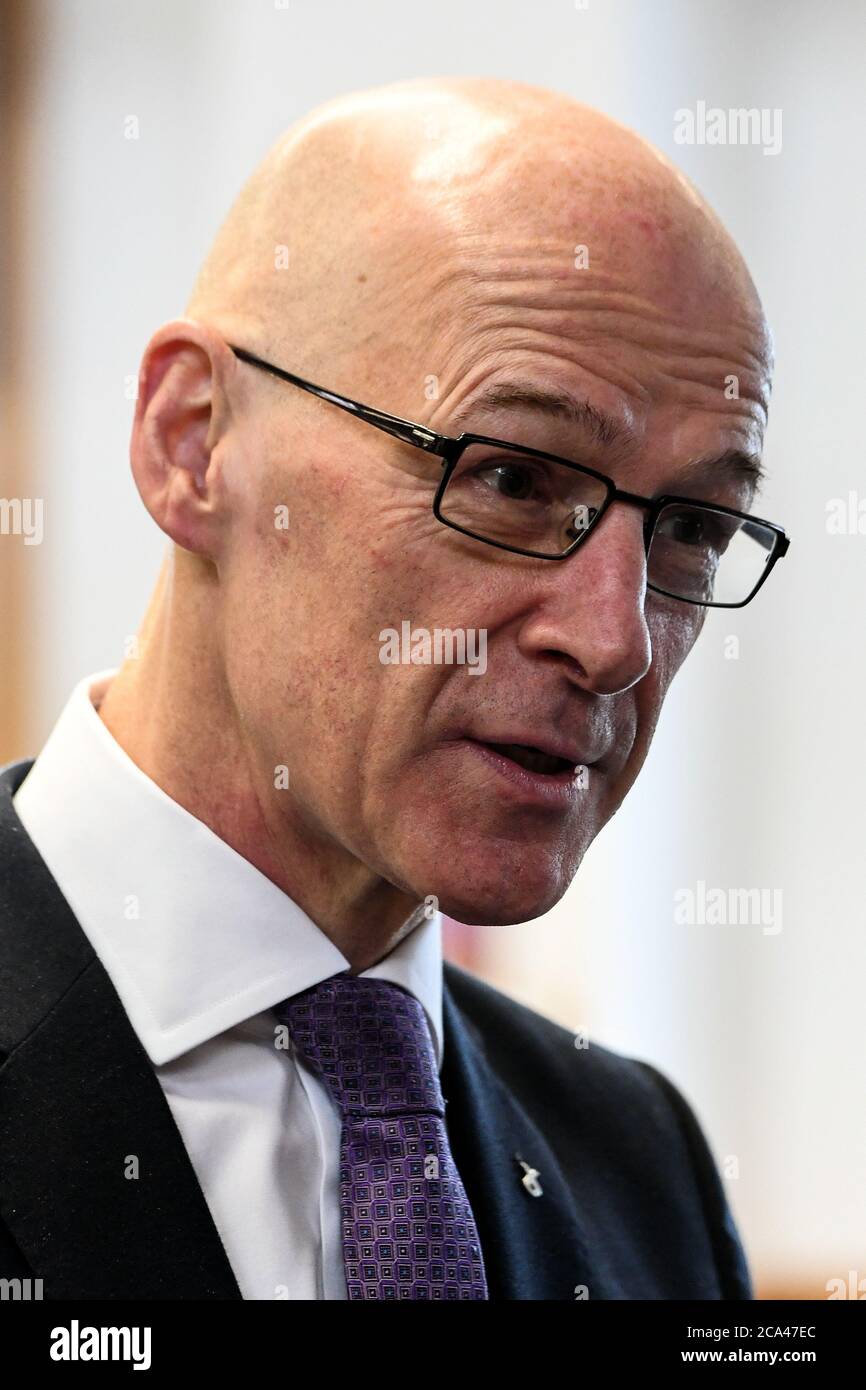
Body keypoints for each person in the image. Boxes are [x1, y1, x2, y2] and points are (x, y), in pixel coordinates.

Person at [0, 75, 788, 1300]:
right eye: (513, 479)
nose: (614, 639)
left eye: (690, 527)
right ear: (191, 442)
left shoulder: (640, 1172)